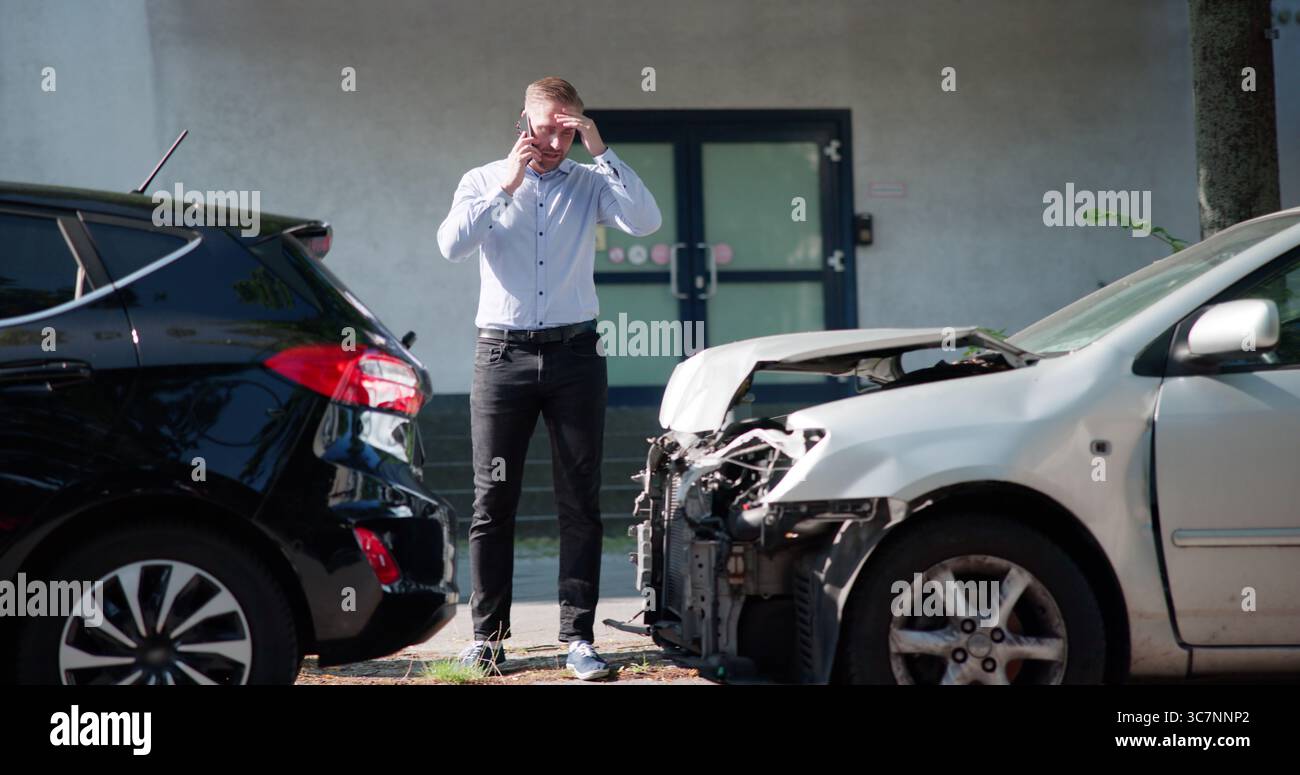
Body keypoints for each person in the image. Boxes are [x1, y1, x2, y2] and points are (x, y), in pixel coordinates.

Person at [436, 76, 661, 680]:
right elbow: (452, 245)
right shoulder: (482, 179)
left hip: (575, 357)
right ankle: (488, 639)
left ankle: (578, 639)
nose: (557, 139)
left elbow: (645, 221)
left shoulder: (591, 182)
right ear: (523, 123)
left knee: (580, 501)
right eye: (548, 127)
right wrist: (507, 185)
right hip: (502, 358)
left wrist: (601, 149)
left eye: (569, 128)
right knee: (492, 502)